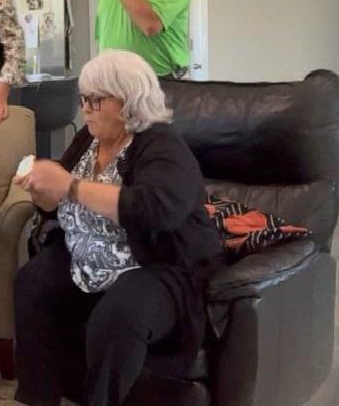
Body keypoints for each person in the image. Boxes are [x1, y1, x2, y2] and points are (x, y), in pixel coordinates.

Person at [12, 50, 223, 406]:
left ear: (129, 100)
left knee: (120, 315)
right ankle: (37, 398)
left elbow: (157, 209)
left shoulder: (161, 144)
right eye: (83, 99)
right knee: (32, 282)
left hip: (156, 266)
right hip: (88, 259)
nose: (85, 109)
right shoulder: (88, 138)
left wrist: (71, 187)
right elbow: (56, 203)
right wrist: (42, 191)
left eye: (95, 100)